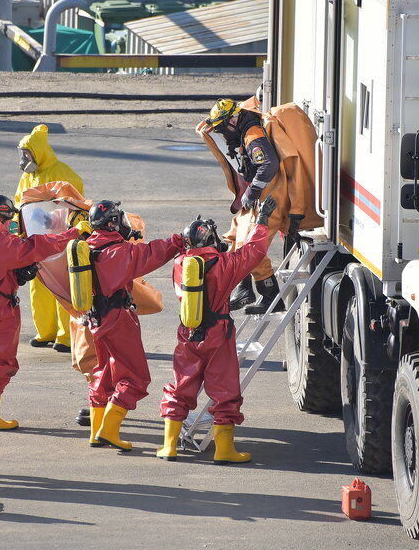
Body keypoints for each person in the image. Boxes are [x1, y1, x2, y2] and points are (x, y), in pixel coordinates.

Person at [157, 197, 277, 464]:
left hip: (188, 333)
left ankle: (169, 447)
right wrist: (263, 221)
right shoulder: (224, 264)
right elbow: (254, 252)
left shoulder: (180, 264)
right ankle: (224, 451)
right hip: (217, 333)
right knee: (225, 392)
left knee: (180, 388)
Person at [0, 194, 83, 430]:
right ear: (0, 217)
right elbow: (41, 246)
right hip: (0, 313)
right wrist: (74, 233)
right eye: (8, 219)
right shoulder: (3, 245)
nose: (11, 224)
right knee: (0, 363)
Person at [83, 200, 186, 452]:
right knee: (136, 377)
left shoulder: (88, 246)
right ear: (113, 223)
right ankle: (108, 430)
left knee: (104, 373)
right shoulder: (117, 252)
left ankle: (97, 432)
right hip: (117, 318)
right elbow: (151, 253)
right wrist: (178, 240)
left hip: (96, 319)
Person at [199, 98, 294, 315]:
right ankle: (243, 289)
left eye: (222, 127)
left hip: (270, 198)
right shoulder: (244, 128)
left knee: (249, 246)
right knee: (233, 237)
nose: (222, 132)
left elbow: (268, 164)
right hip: (261, 197)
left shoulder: (252, 135)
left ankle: (270, 295)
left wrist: (252, 192)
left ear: (233, 119)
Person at [14, 124, 84, 352]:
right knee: (39, 286)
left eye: (27, 154)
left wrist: (54, 219)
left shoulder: (62, 173)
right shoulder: (29, 176)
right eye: (22, 154)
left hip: (59, 240)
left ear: (38, 153)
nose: (23, 159)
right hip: (36, 240)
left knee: (61, 287)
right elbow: (20, 201)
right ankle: (46, 332)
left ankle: (65, 337)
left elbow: (75, 202)